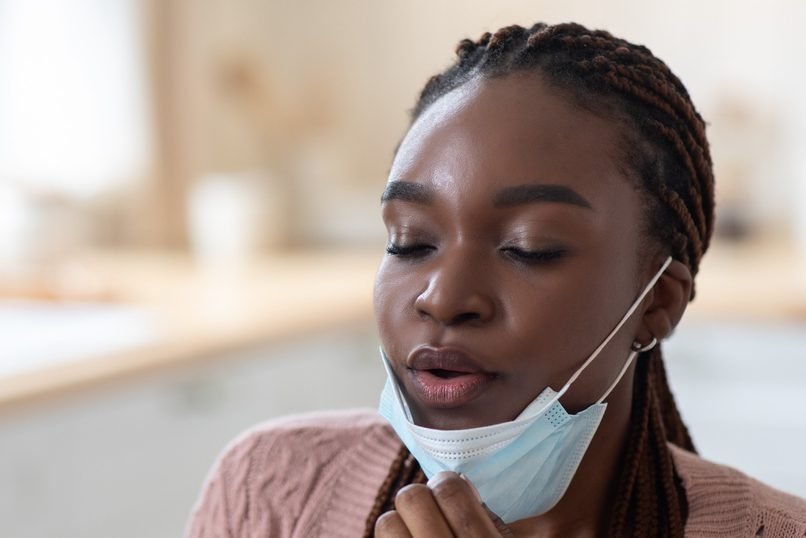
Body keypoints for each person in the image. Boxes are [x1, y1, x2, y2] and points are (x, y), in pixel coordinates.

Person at [186, 22, 806, 537]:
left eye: (527, 247)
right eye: (411, 241)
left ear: (656, 304)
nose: (444, 297)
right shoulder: (267, 491)